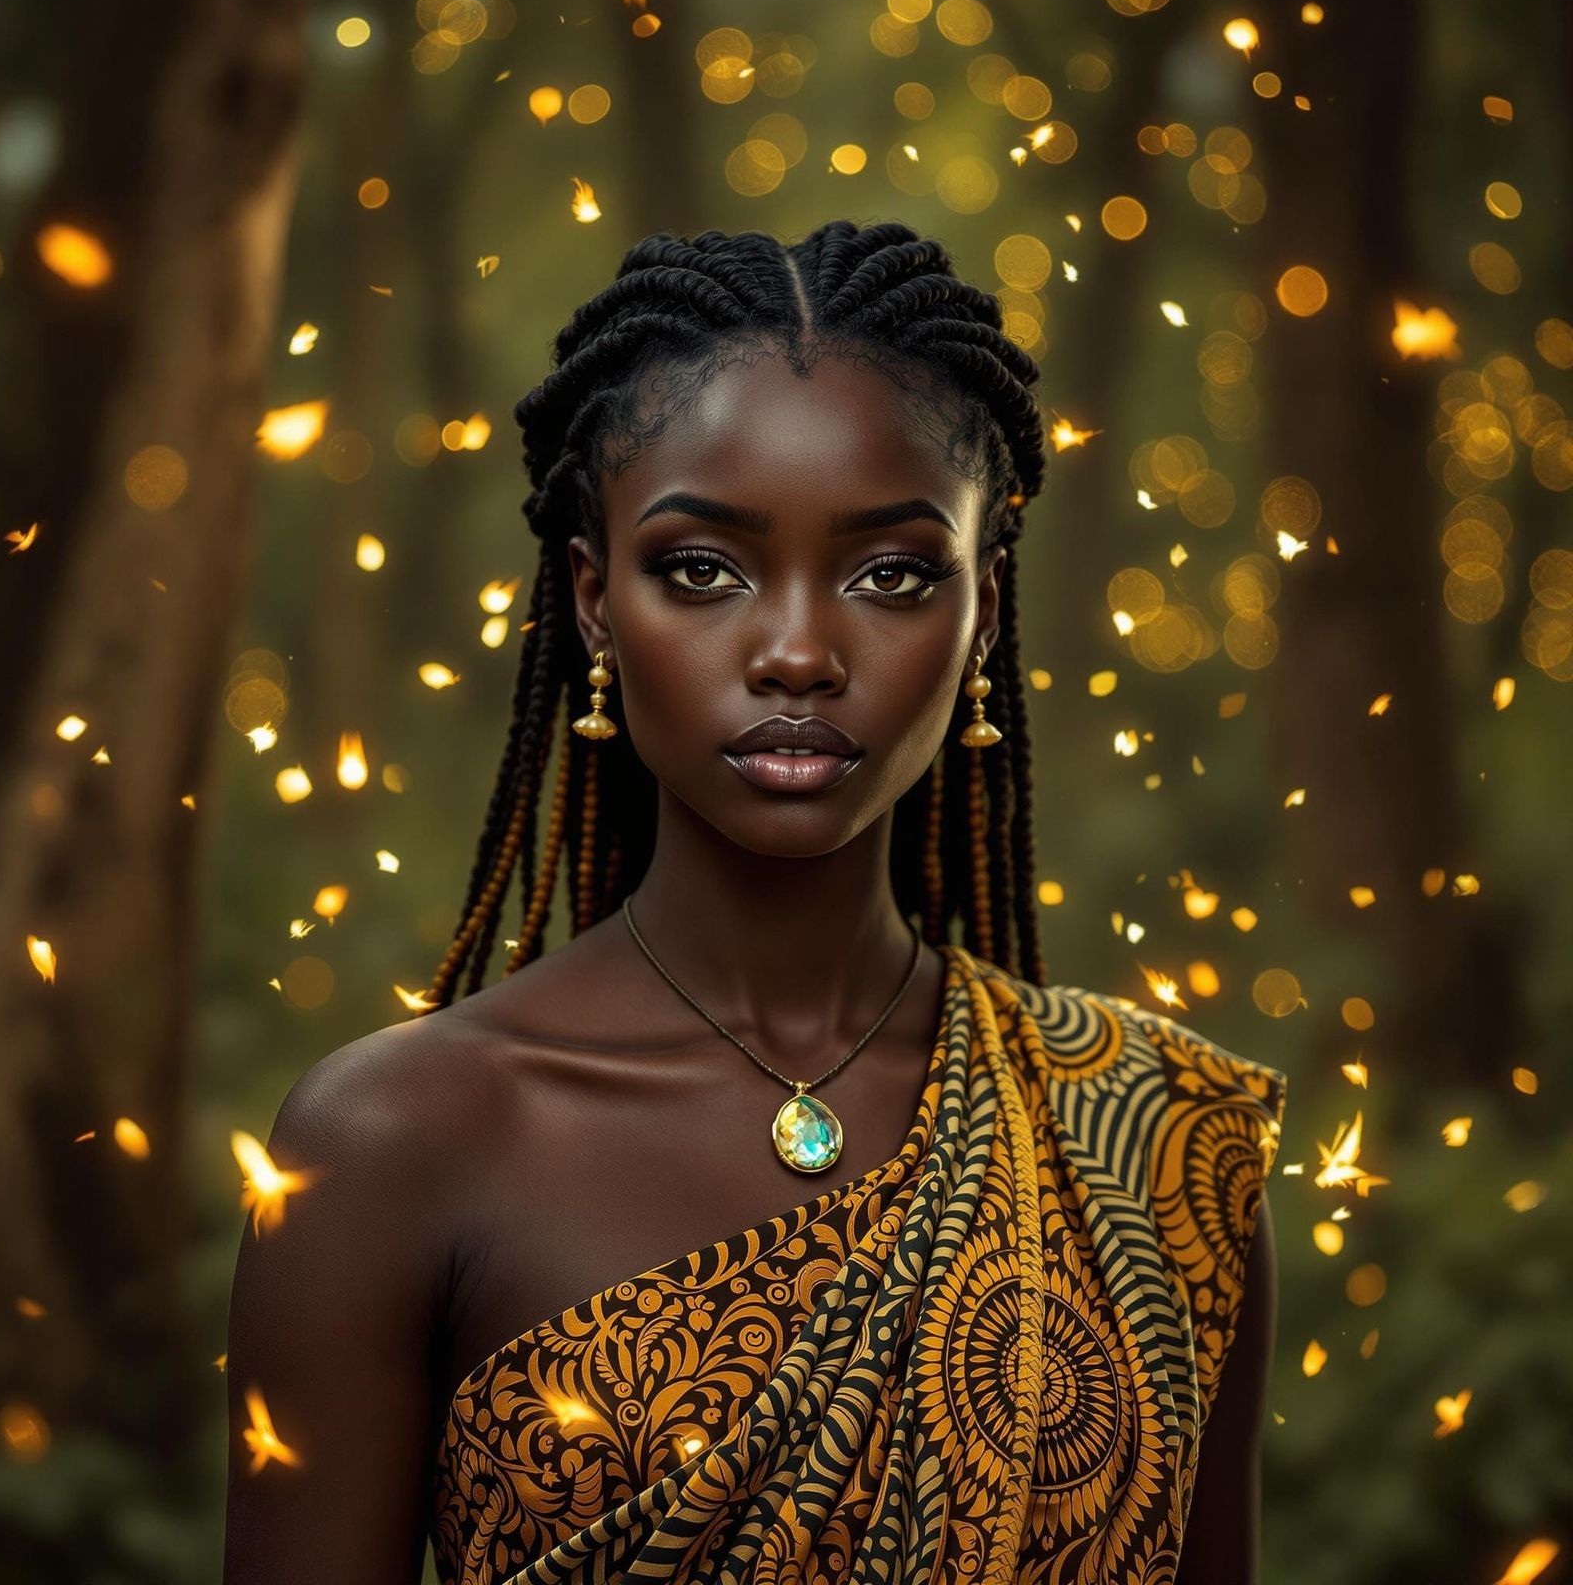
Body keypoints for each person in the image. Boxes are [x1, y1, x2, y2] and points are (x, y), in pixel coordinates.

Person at [223, 220, 1287, 1585]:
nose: (796, 650)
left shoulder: (1156, 1143)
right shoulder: (386, 1146)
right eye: (704, 571)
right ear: (597, 602)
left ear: (982, 610)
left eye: (891, 574)